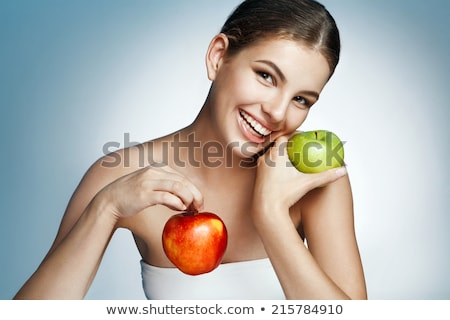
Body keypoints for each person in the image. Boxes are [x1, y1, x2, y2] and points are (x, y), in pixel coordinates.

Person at [14, 0, 367, 299]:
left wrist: (271, 214)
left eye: (301, 99)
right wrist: (105, 208)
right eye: (266, 76)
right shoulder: (121, 173)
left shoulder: (312, 179)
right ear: (218, 57)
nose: (277, 111)